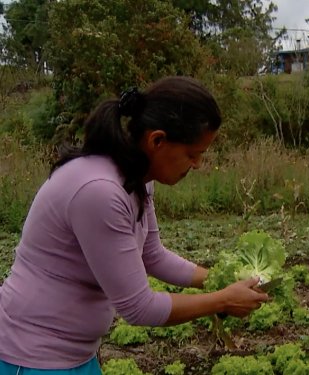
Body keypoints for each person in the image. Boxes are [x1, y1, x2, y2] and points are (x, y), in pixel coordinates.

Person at [0, 76, 269, 374]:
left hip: (75, 355)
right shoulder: (99, 190)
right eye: (193, 154)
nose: (197, 165)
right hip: (31, 357)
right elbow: (139, 308)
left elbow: (153, 256)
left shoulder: (136, 178)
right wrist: (223, 300)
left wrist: (221, 279)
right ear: (157, 140)